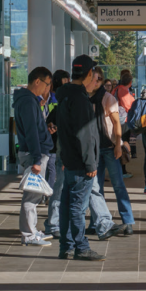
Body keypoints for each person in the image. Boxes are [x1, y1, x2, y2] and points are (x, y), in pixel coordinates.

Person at [56, 55, 107, 261]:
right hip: (80, 163)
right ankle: (81, 247)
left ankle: (66, 246)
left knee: (66, 206)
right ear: (88, 74)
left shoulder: (64, 96)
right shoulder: (80, 98)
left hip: (69, 160)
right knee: (77, 207)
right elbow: (85, 135)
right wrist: (90, 162)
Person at [88, 65, 135, 234]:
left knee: (118, 185)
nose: (97, 82)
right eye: (94, 78)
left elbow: (116, 123)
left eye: (99, 79)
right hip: (92, 150)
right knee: (95, 188)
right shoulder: (84, 97)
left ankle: (127, 220)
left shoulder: (108, 98)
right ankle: (97, 223)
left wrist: (118, 145)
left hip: (109, 148)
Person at [13, 67, 55, 246]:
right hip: (33, 155)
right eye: (47, 84)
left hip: (34, 153)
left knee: (35, 196)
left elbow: (34, 129)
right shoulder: (29, 102)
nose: (47, 89)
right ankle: (29, 235)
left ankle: (32, 231)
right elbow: (31, 133)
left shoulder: (27, 100)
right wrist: (37, 160)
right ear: (37, 81)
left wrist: (45, 131)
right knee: (31, 197)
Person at [43, 69, 69, 237]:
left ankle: (55, 223)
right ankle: (53, 224)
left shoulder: (54, 103)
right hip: (57, 150)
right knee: (58, 186)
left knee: (59, 186)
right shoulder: (54, 103)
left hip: (57, 149)